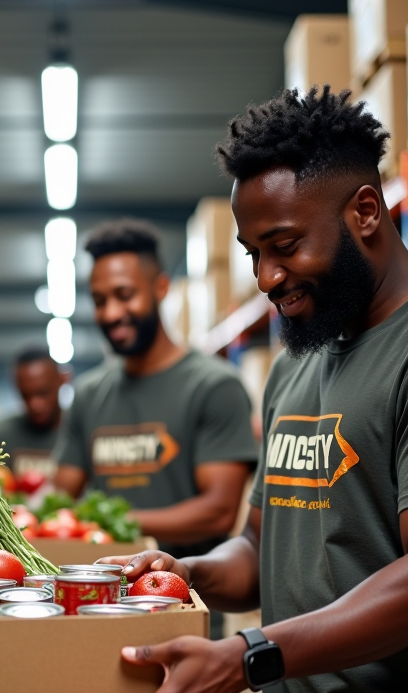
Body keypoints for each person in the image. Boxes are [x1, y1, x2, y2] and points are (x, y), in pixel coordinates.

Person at [107, 88, 408, 693]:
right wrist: (188, 573)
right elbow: (259, 543)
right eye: (253, 254)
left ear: (365, 211)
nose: (267, 278)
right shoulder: (297, 364)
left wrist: (250, 656)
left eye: (284, 246)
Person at [53, 219, 257, 559]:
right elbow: (61, 499)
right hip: (105, 594)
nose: (111, 313)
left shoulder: (214, 386)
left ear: (160, 288)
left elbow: (219, 512)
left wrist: (111, 521)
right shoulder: (87, 395)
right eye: (100, 300)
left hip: (185, 596)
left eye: (124, 295)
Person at [0, 346, 67, 479]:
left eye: (43, 393)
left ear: (63, 380)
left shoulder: (79, 434)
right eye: (26, 395)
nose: (35, 404)